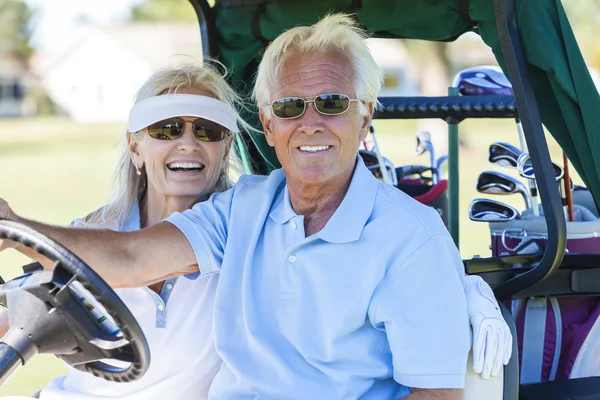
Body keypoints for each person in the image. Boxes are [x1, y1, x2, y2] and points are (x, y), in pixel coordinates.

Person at [0, 14, 511, 399]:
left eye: (332, 103)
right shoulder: (244, 208)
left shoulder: (410, 237)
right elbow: (131, 260)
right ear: (268, 125)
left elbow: (437, 393)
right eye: (290, 108)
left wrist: (458, 290)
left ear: (365, 116)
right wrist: (13, 225)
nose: (310, 124)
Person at [1, 61, 248, 399]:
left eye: (208, 130)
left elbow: (129, 258)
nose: (189, 143)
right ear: (136, 149)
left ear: (226, 149)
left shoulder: (243, 228)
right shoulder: (91, 232)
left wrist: (11, 227)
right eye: (167, 129)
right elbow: (16, 315)